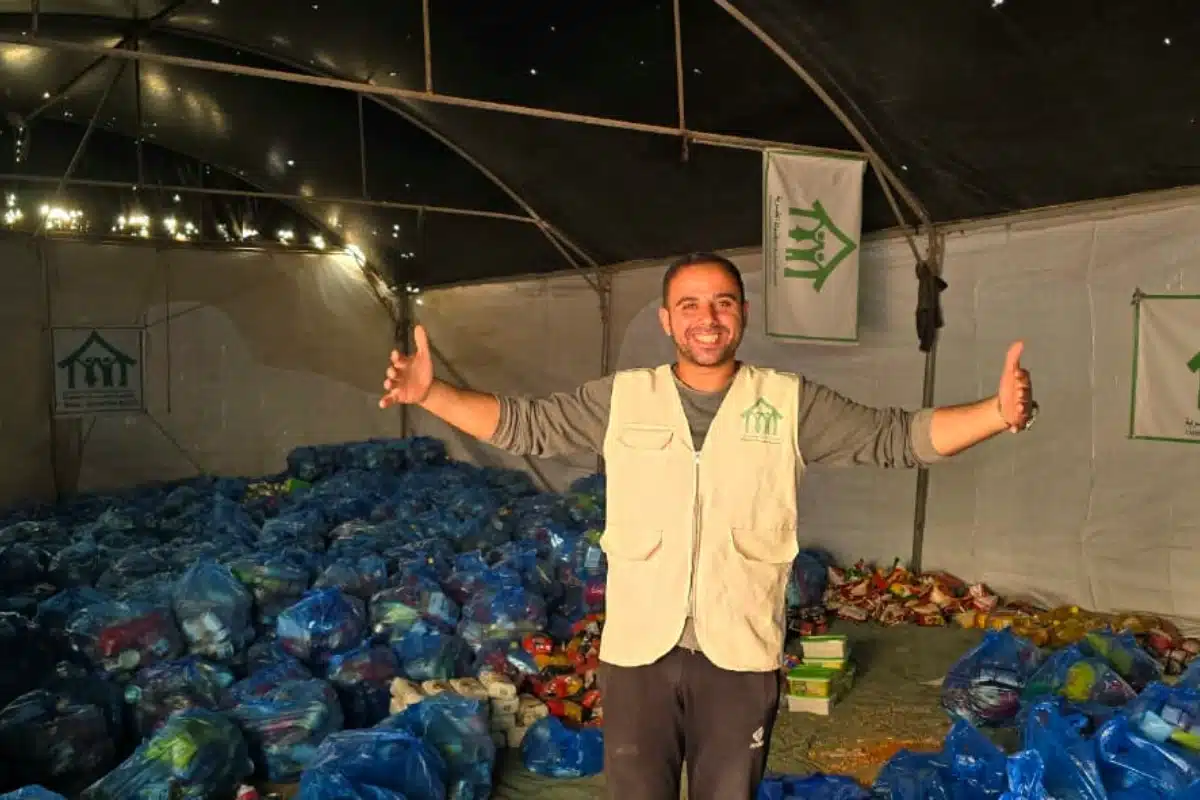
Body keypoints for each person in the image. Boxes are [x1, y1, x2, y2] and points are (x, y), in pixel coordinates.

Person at [379, 252, 1035, 800]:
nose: (707, 318)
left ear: (742, 313)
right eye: (689, 304)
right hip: (639, 650)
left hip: (740, 650)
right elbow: (526, 426)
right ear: (667, 319)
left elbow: (894, 437)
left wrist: (996, 413)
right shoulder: (623, 398)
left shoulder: (788, 402)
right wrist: (431, 393)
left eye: (722, 302)